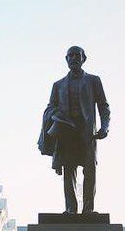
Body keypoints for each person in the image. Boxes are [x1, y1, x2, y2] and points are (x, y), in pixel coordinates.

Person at [37, 45, 110, 214]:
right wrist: (55, 115)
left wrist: (105, 126)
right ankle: (71, 208)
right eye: (70, 56)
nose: (74, 58)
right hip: (66, 134)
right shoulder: (58, 85)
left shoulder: (93, 81)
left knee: (90, 169)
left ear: (84, 59)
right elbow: (50, 107)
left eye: (77, 55)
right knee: (68, 170)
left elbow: (103, 106)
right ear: (66, 59)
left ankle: (88, 209)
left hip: (87, 134)